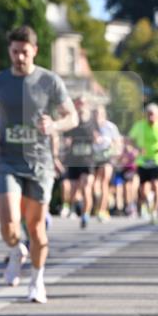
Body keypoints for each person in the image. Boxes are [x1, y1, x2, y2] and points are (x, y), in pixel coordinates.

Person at [0, 25, 77, 304]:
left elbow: (71, 116)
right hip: (7, 160)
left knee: (36, 228)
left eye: (24, 52)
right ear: (9, 51)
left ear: (34, 50)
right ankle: (15, 250)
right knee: (8, 223)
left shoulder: (49, 81)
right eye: (15, 52)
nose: (19, 57)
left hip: (39, 162)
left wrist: (55, 125)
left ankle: (37, 280)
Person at [129, 103, 158, 223]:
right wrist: (136, 148)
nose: (150, 117)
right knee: (143, 190)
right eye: (148, 114)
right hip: (143, 161)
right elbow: (130, 140)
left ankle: (154, 212)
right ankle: (148, 202)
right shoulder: (139, 126)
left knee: (157, 186)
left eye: (153, 114)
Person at [63, 96, 98, 229]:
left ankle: (85, 215)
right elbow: (66, 137)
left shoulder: (93, 120)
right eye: (78, 103)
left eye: (82, 103)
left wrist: (98, 139)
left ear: (87, 105)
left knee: (87, 188)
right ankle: (76, 205)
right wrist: (66, 143)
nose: (80, 106)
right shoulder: (72, 120)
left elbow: (98, 135)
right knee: (74, 192)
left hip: (88, 160)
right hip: (74, 160)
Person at [92, 104, 122, 221]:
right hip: (94, 159)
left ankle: (103, 210)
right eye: (95, 114)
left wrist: (114, 150)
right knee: (95, 184)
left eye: (99, 114)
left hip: (107, 158)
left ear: (104, 115)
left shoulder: (110, 127)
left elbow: (117, 143)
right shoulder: (91, 127)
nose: (97, 116)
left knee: (104, 181)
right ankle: (101, 203)